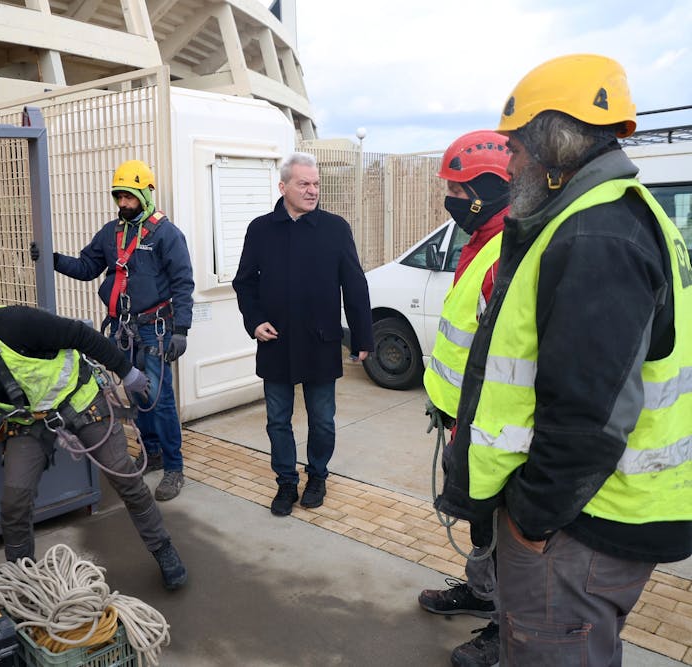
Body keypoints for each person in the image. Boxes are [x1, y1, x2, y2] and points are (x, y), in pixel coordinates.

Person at [436, 53, 692, 666]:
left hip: (583, 524)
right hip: (591, 516)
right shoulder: (602, 216)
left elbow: (588, 415)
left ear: (555, 143)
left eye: (516, 146)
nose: (510, 163)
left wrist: (531, 520)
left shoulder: (596, 234)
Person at [0, 300, 189, 591]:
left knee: (125, 477)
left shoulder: (8, 325)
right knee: (14, 503)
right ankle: (24, 581)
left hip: (81, 399)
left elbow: (79, 335)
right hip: (30, 419)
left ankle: (162, 547)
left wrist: (126, 371)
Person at [31, 160, 194, 501]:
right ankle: (152, 452)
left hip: (155, 329)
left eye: (129, 197)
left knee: (160, 399)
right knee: (136, 394)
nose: (123, 203)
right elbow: (87, 267)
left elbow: (182, 282)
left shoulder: (166, 234)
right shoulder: (111, 233)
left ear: (145, 195)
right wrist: (53, 259)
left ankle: (174, 467)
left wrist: (181, 329)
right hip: (123, 329)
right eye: (119, 196)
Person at [232, 151, 373, 516]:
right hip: (275, 342)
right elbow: (244, 283)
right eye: (304, 184)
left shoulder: (335, 228)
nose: (312, 191)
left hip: (321, 342)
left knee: (322, 420)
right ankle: (285, 482)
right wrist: (254, 321)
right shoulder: (260, 229)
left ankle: (317, 476)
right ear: (283, 187)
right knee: (277, 420)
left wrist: (362, 337)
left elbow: (354, 285)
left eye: (316, 184)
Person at [418, 130, 510, 667]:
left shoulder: (508, 252)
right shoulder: (479, 242)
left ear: (486, 191)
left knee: (501, 531)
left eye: (456, 191)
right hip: (462, 419)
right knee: (479, 523)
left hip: (491, 428)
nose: (449, 201)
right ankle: (481, 593)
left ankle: (506, 627)